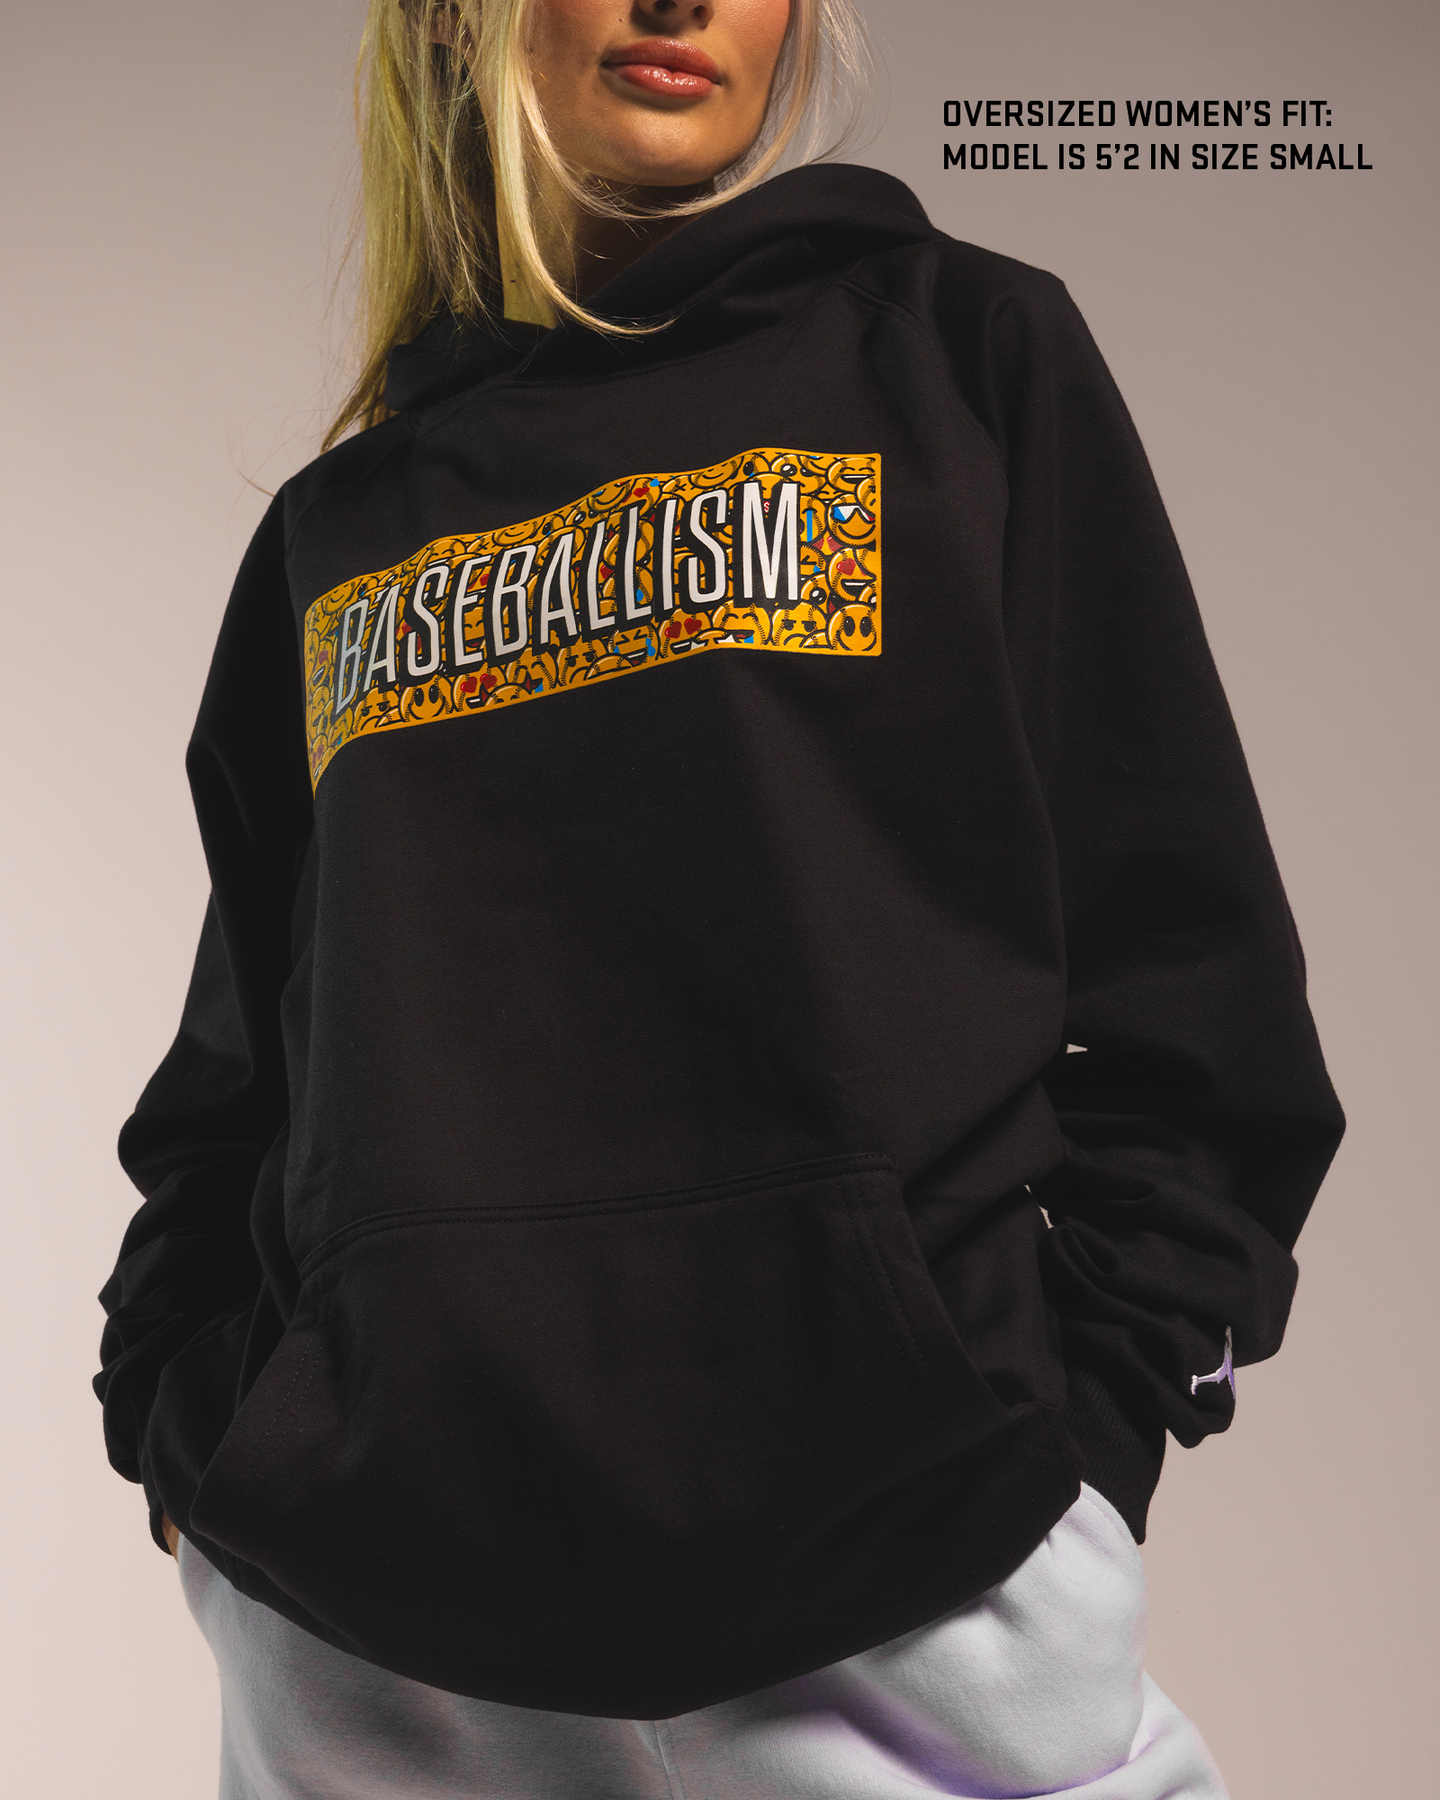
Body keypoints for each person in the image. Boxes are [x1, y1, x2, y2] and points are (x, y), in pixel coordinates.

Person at [94, 1, 1345, 1795]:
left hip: (914, 1586)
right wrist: (198, 1446)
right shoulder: (338, 528)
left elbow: (1197, 995)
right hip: (381, 1654)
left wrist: (1075, 1441)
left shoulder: (960, 357)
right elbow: (235, 1093)